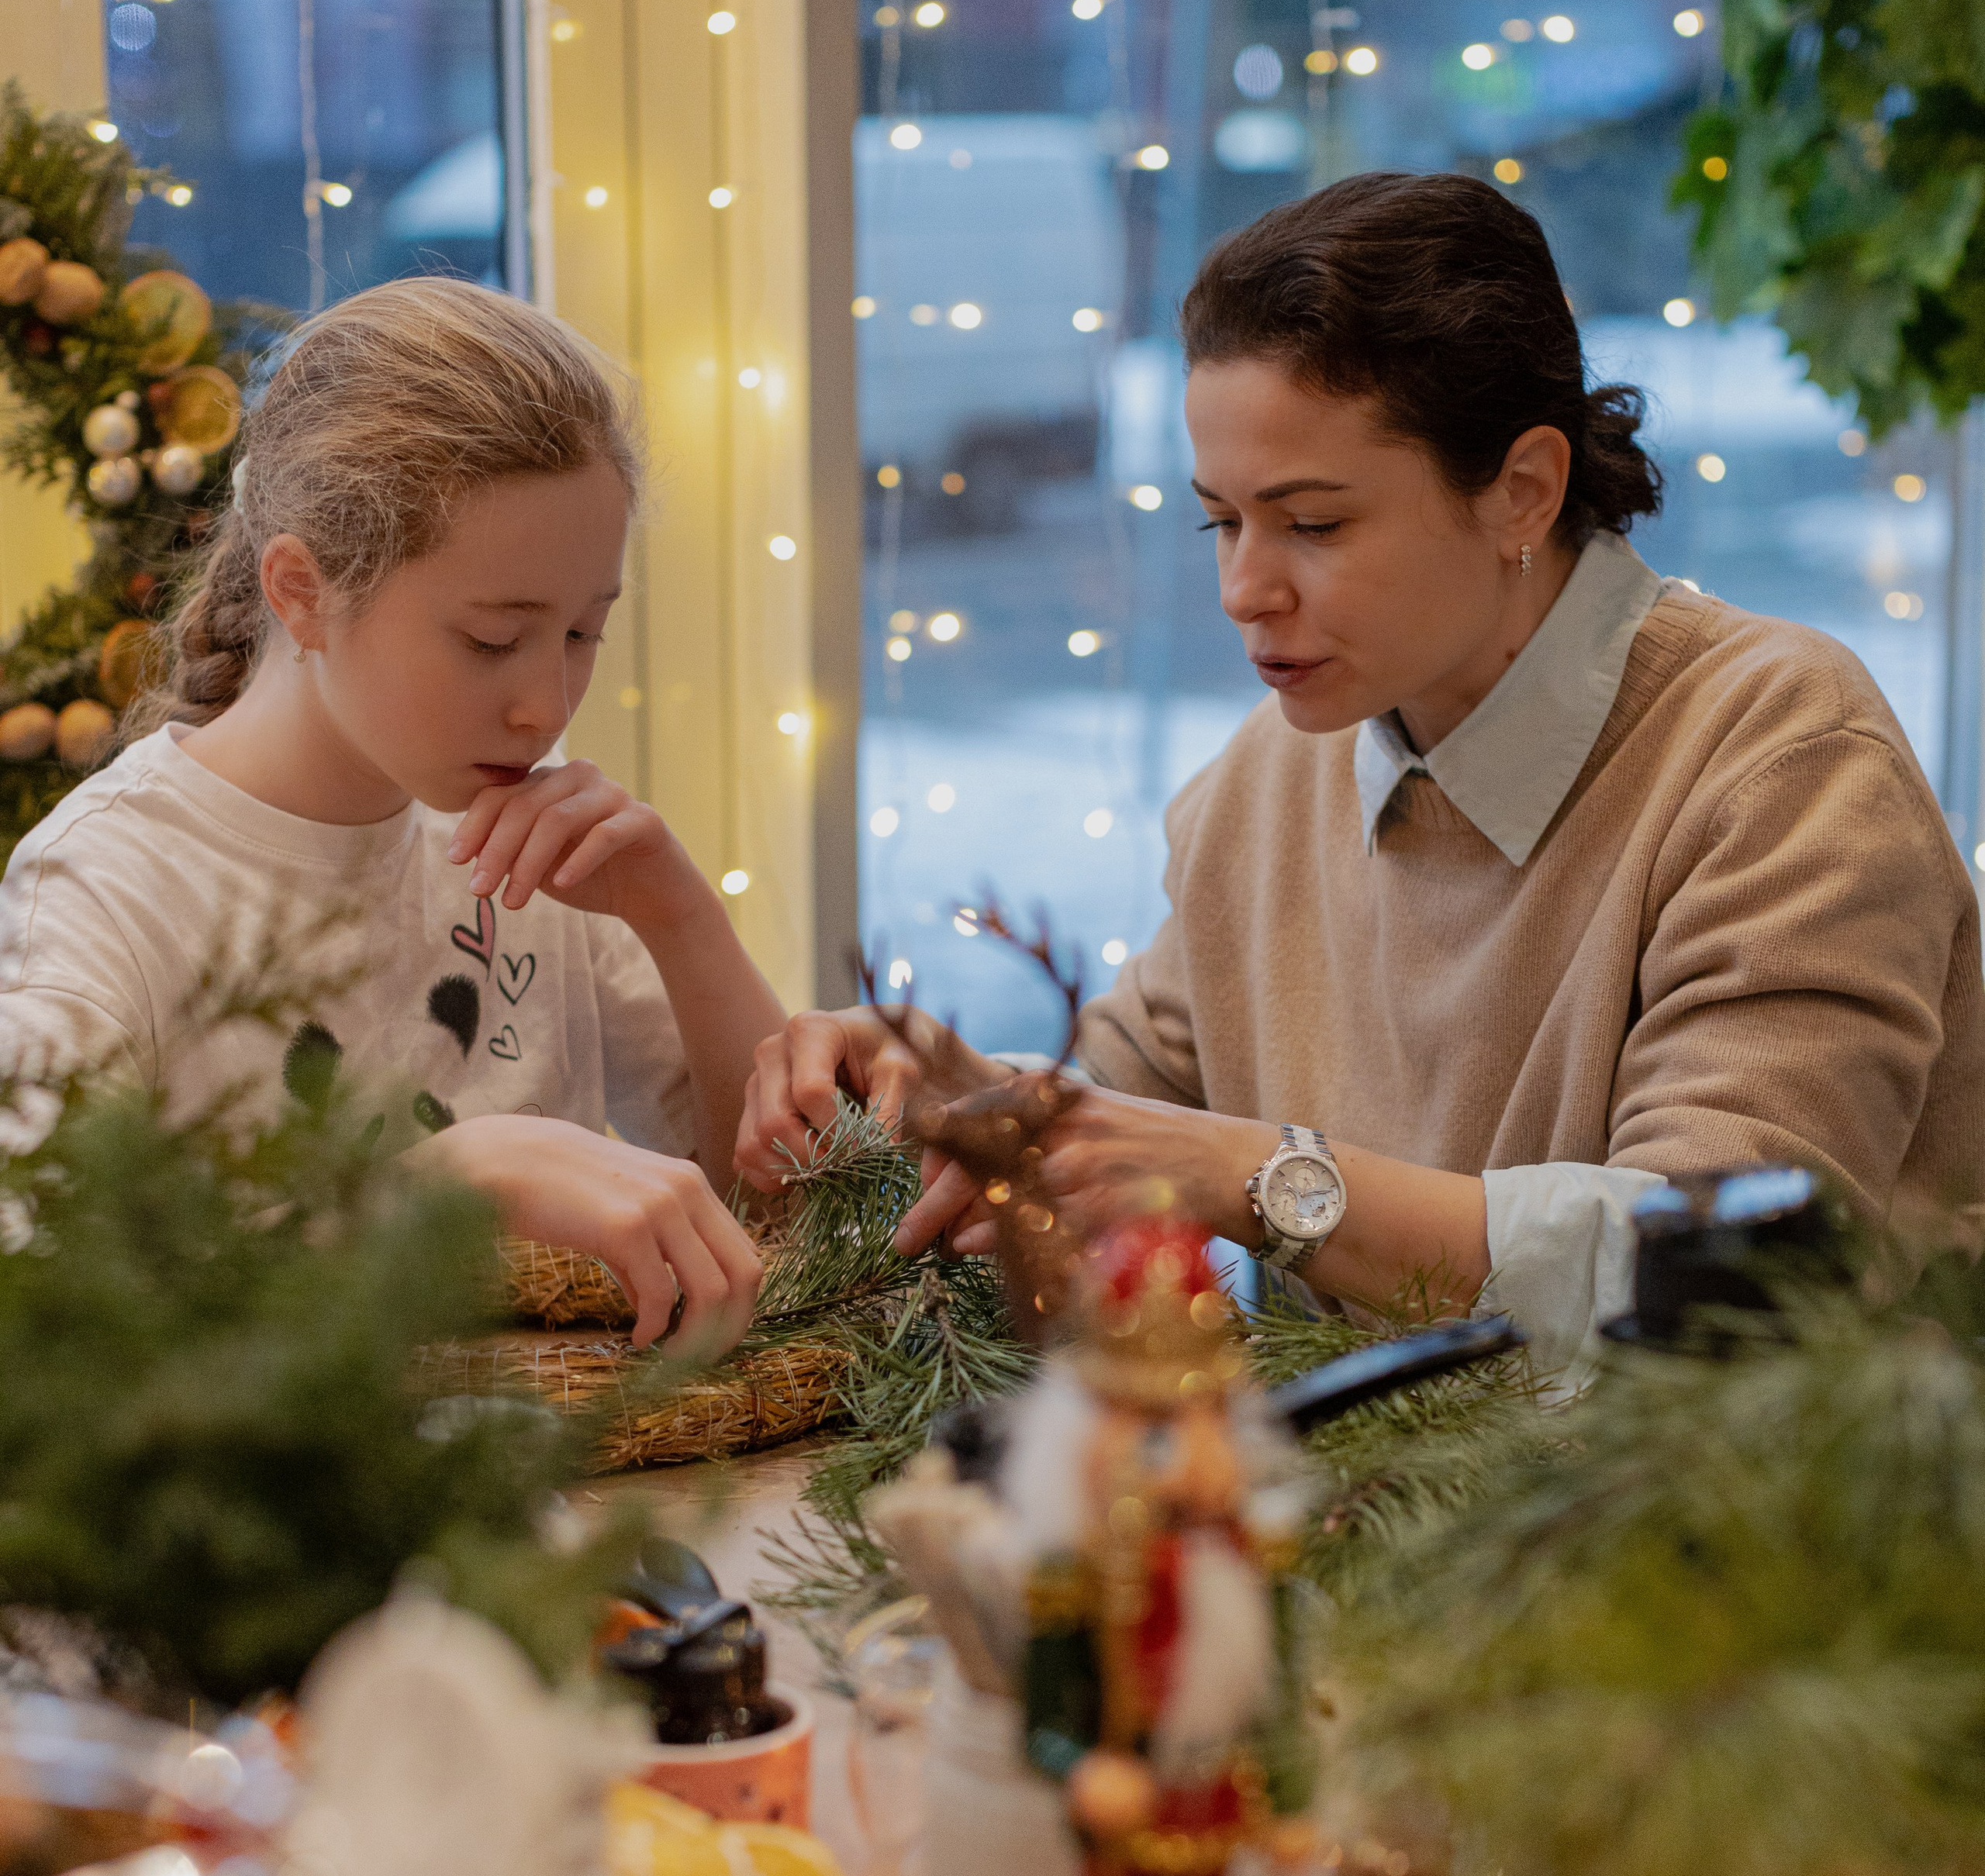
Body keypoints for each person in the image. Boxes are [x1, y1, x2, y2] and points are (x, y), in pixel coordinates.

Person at [738, 171, 1985, 1375]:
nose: (1243, 590)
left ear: (1525, 491)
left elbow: (1724, 1277)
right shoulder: (1269, 779)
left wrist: (1258, 1177)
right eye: (1220, 521)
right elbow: (1128, 1109)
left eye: (1315, 524)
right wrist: (954, 1099)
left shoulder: (1780, 757)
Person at [0, 276, 771, 1355]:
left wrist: (681, 919)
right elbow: (45, 1319)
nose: (544, 705)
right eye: (492, 641)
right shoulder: (112, 888)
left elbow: (787, 1219)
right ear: (302, 591)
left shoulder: (544, 852)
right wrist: (437, 1188)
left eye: (584, 634)